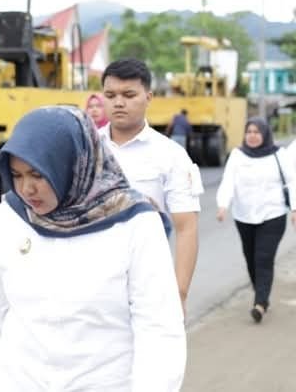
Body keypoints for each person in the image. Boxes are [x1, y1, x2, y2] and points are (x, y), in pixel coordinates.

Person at [0, 106, 186, 391]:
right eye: (16, 174)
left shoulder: (135, 224)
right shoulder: (9, 219)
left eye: (38, 175)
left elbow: (159, 330)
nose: (26, 188)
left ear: (71, 164)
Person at [100, 58, 202, 314]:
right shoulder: (85, 147)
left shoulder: (171, 155)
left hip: (148, 282)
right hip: (92, 283)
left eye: (129, 94)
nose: (119, 102)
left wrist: (179, 293)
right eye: (110, 95)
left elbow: (186, 228)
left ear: (148, 97)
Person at [216, 117, 296, 323]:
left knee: (263, 258)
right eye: (249, 131)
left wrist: (294, 208)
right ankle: (262, 294)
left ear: (265, 134)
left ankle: (260, 303)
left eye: (257, 132)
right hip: (244, 216)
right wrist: (223, 204)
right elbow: (228, 181)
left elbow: (292, 180)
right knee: (251, 258)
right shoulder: (237, 155)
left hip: (273, 214)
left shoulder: (279, 154)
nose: (252, 136)